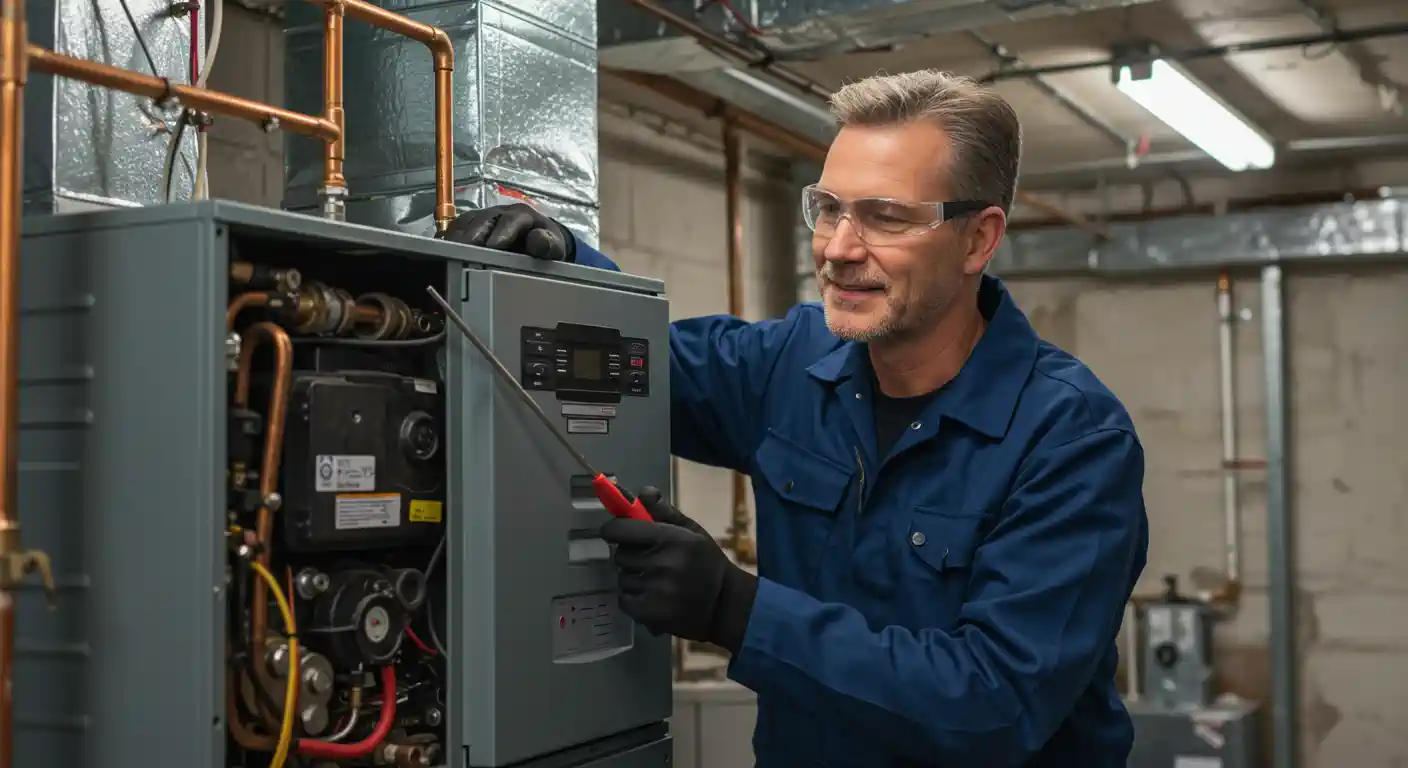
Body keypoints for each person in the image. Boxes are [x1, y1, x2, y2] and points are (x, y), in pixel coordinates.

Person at [444, 69, 1149, 767]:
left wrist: (732, 606)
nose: (839, 248)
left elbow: (994, 706)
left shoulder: (1070, 438)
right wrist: (562, 259)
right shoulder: (788, 363)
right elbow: (631, 364)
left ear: (978, 240)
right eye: (830, 208)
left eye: (886, 216)